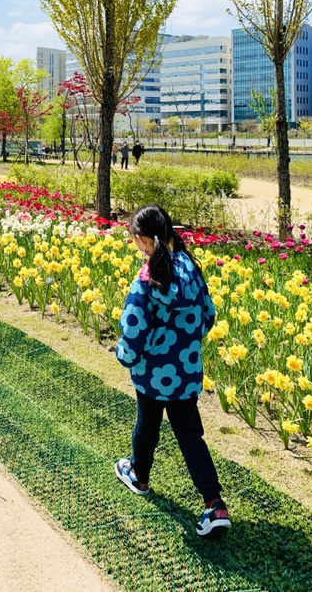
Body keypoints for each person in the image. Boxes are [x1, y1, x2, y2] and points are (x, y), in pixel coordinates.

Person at [114, 204, 231, 539]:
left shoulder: (147, 278)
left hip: (151, 376)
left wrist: (124, 355)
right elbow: (208, 316)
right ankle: (214, 503)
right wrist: (182, 344)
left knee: (146, 427)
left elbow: (134, 330)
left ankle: (139, 476)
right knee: (191, 436)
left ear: (142, 239)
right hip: (187, 372)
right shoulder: (192, 269)